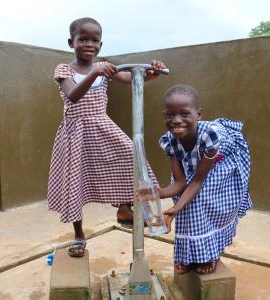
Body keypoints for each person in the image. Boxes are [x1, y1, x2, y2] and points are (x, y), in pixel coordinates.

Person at [47, 17, 165, 257]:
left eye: (95, 40)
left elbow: (132, 80)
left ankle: (124, 207)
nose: (89, 44)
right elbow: (72, 96)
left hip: (101, 125)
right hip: (75, 132)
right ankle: (79, 235)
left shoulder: (105, 68)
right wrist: (95, 72)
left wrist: (152, 74)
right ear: (72, 42)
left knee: (132, 154)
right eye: (83, 39)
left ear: (100, 45)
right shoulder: (64, 69)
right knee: (75, 184)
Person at [145, 84, 252, 274]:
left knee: (204, 201)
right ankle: (189, 255)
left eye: (185, 114)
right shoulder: (169, 140)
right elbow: (180, 183)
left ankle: (211, 254)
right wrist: (157, 193)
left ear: (199, 114)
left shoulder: (209, 136)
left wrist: (173, 212)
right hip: (196, 164)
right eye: (170, 114)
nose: (176, 121)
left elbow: (197, 182)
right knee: (184, 201)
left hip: (224, 161)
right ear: (164, 115)